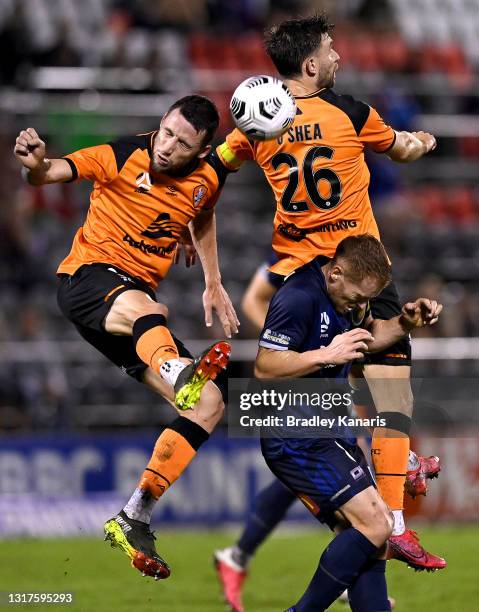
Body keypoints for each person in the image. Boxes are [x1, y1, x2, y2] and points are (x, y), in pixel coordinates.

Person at [217, 12, 444, 571]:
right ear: (312, 64)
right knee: (392, 400)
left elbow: (214, 164)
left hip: (304, 282)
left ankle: (355, 518)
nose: (339, 56)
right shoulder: (348, 112)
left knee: (314, 419)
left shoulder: (255, 123)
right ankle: (393, 516)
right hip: (362, 272)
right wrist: (422, 141)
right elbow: (402, 150)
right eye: (331, 48)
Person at [13, 95, 240, 580]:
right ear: (160, 123)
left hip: (133, 318)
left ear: (201, 151)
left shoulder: (206, 179)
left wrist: (213, 280)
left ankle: (135, 513)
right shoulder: (120, 155)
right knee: (148, 308)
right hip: (87, 280)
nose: (168, 147)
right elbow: (52, 171)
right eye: (168, 133)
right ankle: (179, 373)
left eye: (182, 143)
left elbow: (202, 211)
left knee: (210, 405)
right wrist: (35, 166)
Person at [256, 234, 442, 611]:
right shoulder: (299, 297)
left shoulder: (349, 297)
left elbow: (368, 338)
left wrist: (406, 322)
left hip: (330, 433)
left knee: (368, 543)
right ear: (336, 273)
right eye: (356, 298)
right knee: (377, 525)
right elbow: (265, 367)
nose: (359, 306)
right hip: (295, 436)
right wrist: (325, 355)